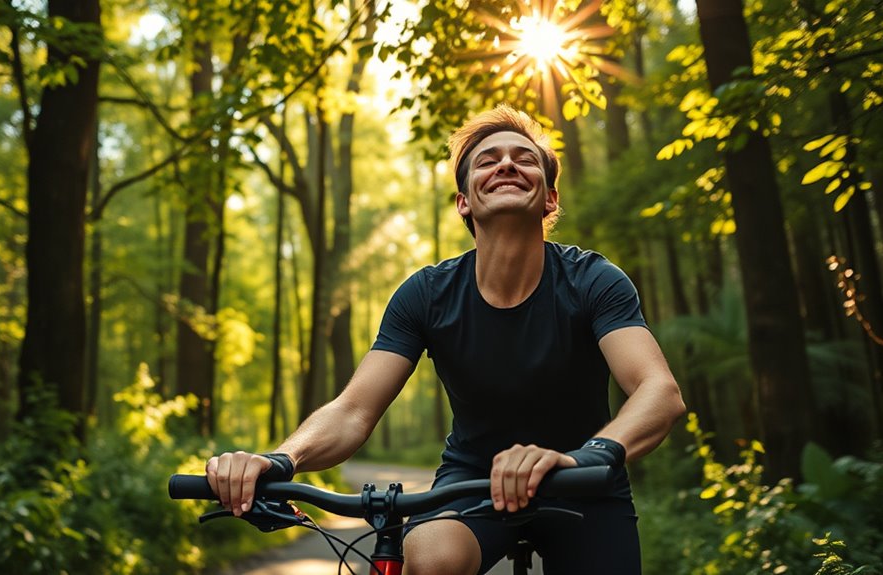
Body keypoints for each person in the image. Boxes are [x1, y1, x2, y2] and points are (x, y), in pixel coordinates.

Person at [205, 105, 686, 575]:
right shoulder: (426, 295)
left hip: (585, 479)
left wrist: (587, 456)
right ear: (465, 201)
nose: (505, 163)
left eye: (523, 158)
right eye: (487, 159)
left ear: (549, 199)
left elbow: (658, 392)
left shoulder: (594, 280)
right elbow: (353, 410)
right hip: (469, 485)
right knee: (431, 556)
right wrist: (281, 459)